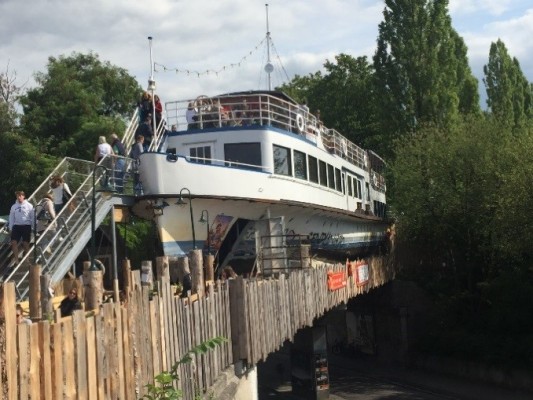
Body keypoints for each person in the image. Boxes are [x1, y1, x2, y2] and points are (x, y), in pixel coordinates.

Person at [8, 191, 34, 267]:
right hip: (17, 226)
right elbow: (11, 217)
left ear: (23, 196)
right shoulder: (14, 206)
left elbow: (32, 216)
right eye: (17, 196)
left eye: (20, 196)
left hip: (26, 225)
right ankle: (16, 259)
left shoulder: (29, 205)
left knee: (26, 243)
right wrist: (10, 227)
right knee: (13, 242)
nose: (19, 197)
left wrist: (33, 226)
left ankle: (27, 259)